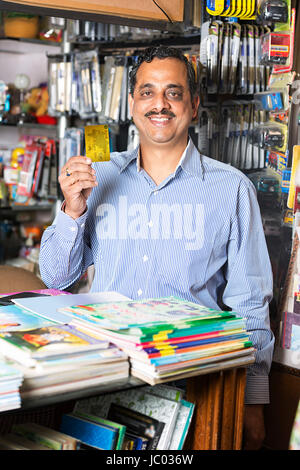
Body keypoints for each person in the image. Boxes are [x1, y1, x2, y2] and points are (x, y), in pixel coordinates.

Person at [39, 46, 274, 450]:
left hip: (196, 389)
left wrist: (252, 401)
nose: (159, 104)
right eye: (147, 92)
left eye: (174, 92)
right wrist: (73, 210)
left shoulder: (232, 189)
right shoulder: (99, 177)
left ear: (194, 105)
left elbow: (250, 303)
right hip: (103, 378)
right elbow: (56, 277)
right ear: (132, 104)